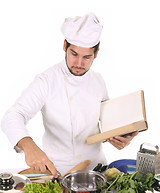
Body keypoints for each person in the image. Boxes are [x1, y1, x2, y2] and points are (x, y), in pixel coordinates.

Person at [1, 13, 138, 177]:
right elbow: (13, 115)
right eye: (74, 54)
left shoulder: (98, 80)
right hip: (58, 171)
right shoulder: (47, 80)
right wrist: (28, 145)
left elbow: (107, 125)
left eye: (87, 57)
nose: (79, 64)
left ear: (96, 53)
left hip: (97, 169)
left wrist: (121, 139)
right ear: (65, 46)